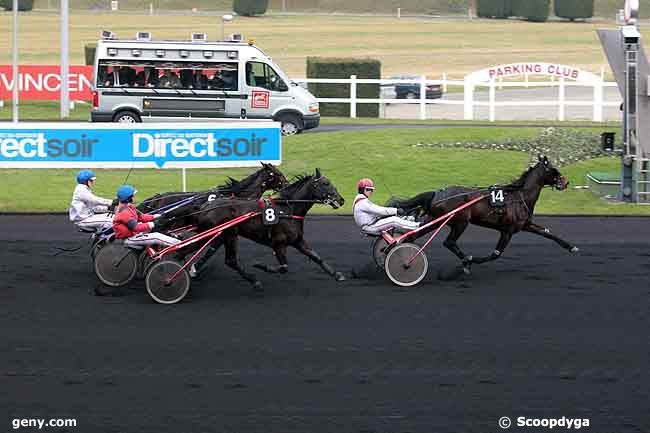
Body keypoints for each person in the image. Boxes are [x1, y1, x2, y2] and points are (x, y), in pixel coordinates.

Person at [112, 185, 180, 247]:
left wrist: (155, 216)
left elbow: (141, 217)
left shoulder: (129, 207)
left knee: (157, 230)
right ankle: (179, 244)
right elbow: (136, 227)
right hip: (129, 239)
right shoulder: (124, 212)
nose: (134, 197)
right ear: (128, 198)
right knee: (156, 236)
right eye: (133, 196)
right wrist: (153, 224)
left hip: (133, 234)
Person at [353, 178, 420, 235]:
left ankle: (409, 219)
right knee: (393, 220)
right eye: (369, 189)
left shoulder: (360, 199)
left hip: (372, 223)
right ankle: (417, 226)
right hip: (370, 226)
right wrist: (396, 210)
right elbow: (379, 210)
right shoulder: (362, 202)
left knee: (392, 216)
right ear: (362, 189)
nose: (371, 192)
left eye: (372, 190)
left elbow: (376, 210)